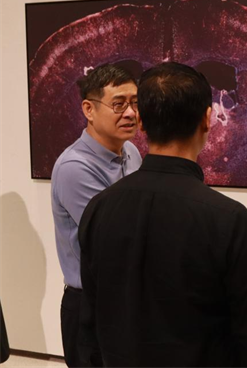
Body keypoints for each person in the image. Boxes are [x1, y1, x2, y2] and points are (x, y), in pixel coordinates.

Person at [78, 62, 247, 368]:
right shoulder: (227, 218)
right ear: (207, 119)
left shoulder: (99, 208)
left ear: (141, 122)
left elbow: (91, 321)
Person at [51, 64, 141, 368]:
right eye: (119, 104)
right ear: (89, 109)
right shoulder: (75, 167)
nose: (131, 113)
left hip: (124, 298)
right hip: (90, 304)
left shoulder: (132, 153)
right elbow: (117, 236)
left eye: (135, 103)